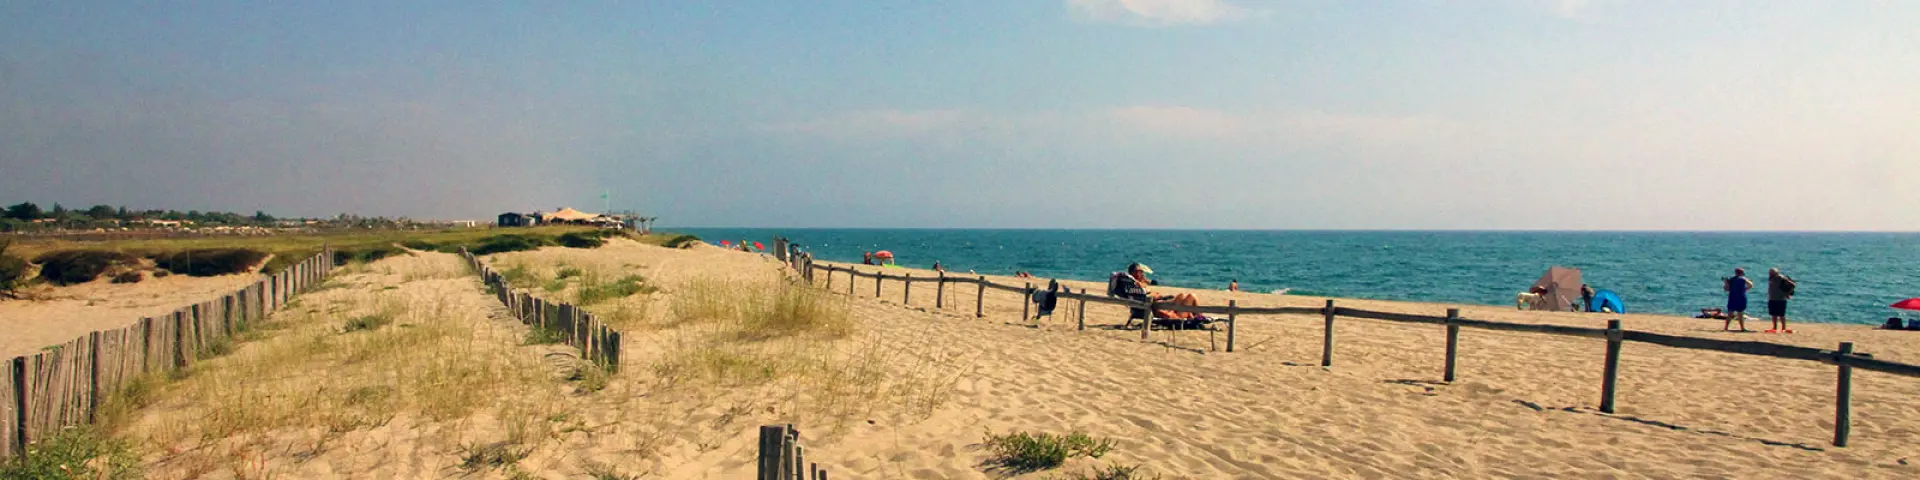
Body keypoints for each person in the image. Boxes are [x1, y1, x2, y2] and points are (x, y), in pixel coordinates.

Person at [1766, 268, 1797, 333]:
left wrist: (1787, 293)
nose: (1770, 274)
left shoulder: (1781, 278)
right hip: (1772, 299)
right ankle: (1774, 327)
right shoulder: (1771, 278)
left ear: (1776, 273)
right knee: (1773, 314)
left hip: (1781, 299)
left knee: (1781, 315)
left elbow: (1793, 285)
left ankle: (1783, 328)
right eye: (1770, 272)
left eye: (1772, 273)